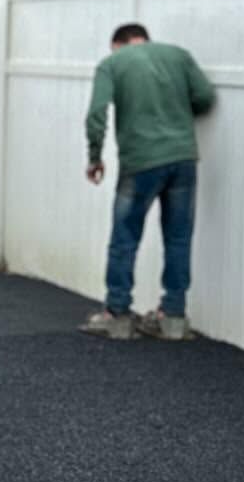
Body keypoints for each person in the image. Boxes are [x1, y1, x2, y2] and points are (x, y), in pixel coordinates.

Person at [80, 23, 216, 341]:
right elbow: (205, 98)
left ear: (119, 44)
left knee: (124, 239)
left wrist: (95, 156)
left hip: (140, 162)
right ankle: (173, 318)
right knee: (178, 238)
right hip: (183, 158)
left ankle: (117, 314)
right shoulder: (179, 56)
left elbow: (96, 113)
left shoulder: (112, 63)